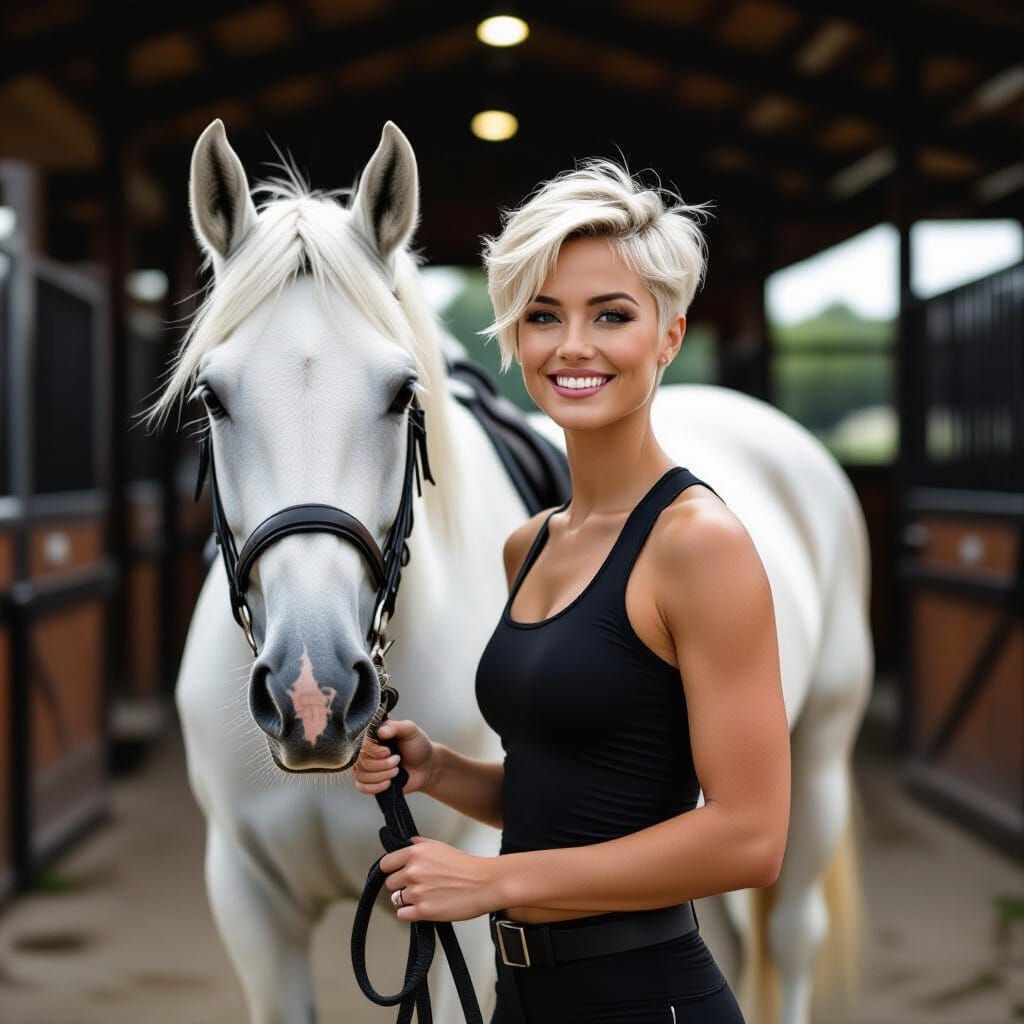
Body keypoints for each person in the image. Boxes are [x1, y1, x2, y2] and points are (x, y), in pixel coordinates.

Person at [353, 158, 790, 1023]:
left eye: (612, 315)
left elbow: (750, 837)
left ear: (669, 336)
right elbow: (576, 795)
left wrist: (492, 880)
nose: (573, 346)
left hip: (647, 998)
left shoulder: (699, 545)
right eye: (543, 315)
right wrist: (439, 771)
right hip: (523, 995)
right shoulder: (531, 545)